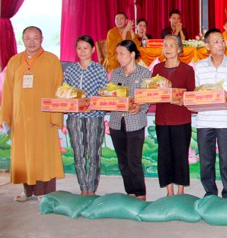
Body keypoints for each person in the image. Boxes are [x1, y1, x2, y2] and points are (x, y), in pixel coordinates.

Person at [1, 27, 64, 201]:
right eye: (28, 38)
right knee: (24, 155)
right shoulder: (14, 61)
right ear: (22, 39)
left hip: (44, 116)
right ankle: (27, 191)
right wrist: (5, 117)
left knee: (44, 155)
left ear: (42, 39)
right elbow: (7, 92)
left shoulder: (51, 60)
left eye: (35, 38)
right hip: (21, 117)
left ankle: (45, 193)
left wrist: (56, 116)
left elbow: (59, 89)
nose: (31, 41)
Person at [194, 28, 227, 198]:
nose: (221, 44)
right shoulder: (199, 66)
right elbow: (196, 92)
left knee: (226, 160)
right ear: (207, 46)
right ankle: (210, 192)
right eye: (216, 42)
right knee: (206, 160)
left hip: (225, 120)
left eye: (222, 41)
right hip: (204, 120)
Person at [63, 35, 108, 195]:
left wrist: (93, 105)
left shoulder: (99, 69)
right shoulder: (70, 70)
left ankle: (92, 188)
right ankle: (83, 188)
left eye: (85, 48)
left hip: (94, 116)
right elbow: (65, 92)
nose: (82, 51)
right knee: (78, 153)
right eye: (79, 48)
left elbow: (104, 93)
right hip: (74, 117)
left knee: (94, 153)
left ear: (93, 50)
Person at [152, 35, 195, 196]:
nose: (168, 49)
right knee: (164, 155)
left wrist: (182, 100)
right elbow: (152, 91)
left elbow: (191, 95)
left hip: (181, 119)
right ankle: (169, 190)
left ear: (179, 49)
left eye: (171, 45)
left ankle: (180, 190)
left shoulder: (187, 70)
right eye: (165, 45)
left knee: (180, 155)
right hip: (162, 119)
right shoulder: (157, 69)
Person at [109, 40, 152, 200]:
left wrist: (140, 107)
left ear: (132, 54)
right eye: (117, 54)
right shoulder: (115, 73)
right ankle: (130, 192)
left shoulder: (144, 73)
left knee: (134, 161)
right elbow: (110, 94)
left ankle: (140, 194)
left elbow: (148, 98)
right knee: (122, 161)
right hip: (116, 121)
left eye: (122, 54)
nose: (119, 57)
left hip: (134, 121)